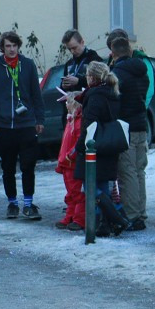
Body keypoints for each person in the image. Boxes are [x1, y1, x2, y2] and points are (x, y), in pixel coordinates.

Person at [0, 31, 45, 220]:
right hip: (3, 125)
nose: (11, 49)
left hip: (26, 124)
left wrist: (40, 119)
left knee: (28, 165)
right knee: (7, 167)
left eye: (14, 45)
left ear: (18, 46)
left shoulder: (27, 65)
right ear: (3, 47)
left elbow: (36, 93)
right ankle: (12, 203)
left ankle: (28, 203)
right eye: (8, 46)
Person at [75, 61, 131, 236]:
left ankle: (117, 219)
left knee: (91, 186)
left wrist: (79, 146)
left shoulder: (95, 95)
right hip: (109, 143)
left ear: (92, 77)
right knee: (103, 186)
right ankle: (104, 225)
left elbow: (89, 123)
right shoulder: (112, 92)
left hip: (94, 144)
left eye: (87, 75)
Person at [110, 37, 149, 230]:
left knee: (127, 173)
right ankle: (141, 212)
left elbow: (115, 100)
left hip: (125, 127)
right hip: (141, 124)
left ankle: (132, 215)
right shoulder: (143, 71)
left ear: (114, 53)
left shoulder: (117, 73)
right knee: (140, 171)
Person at [54, 96, 85, 231]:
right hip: (66, 163)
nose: (66, 105)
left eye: (68, 103)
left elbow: (78, 143)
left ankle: (79, 219)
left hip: (72, 163)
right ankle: (70, 216)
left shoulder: (79, 122)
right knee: (70, 193)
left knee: (77, 193)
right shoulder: (71, 121)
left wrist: (70, 156)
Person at [59, 30, 101, 98]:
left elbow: (100, 84)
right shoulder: (69, 63)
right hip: (72, 105)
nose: (72, 51)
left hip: (89, 103)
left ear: (82, 42)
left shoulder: (94, 60)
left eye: (74, 48)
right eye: (69, 49)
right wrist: (64, 86)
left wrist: (79, 81)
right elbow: (63, 90)